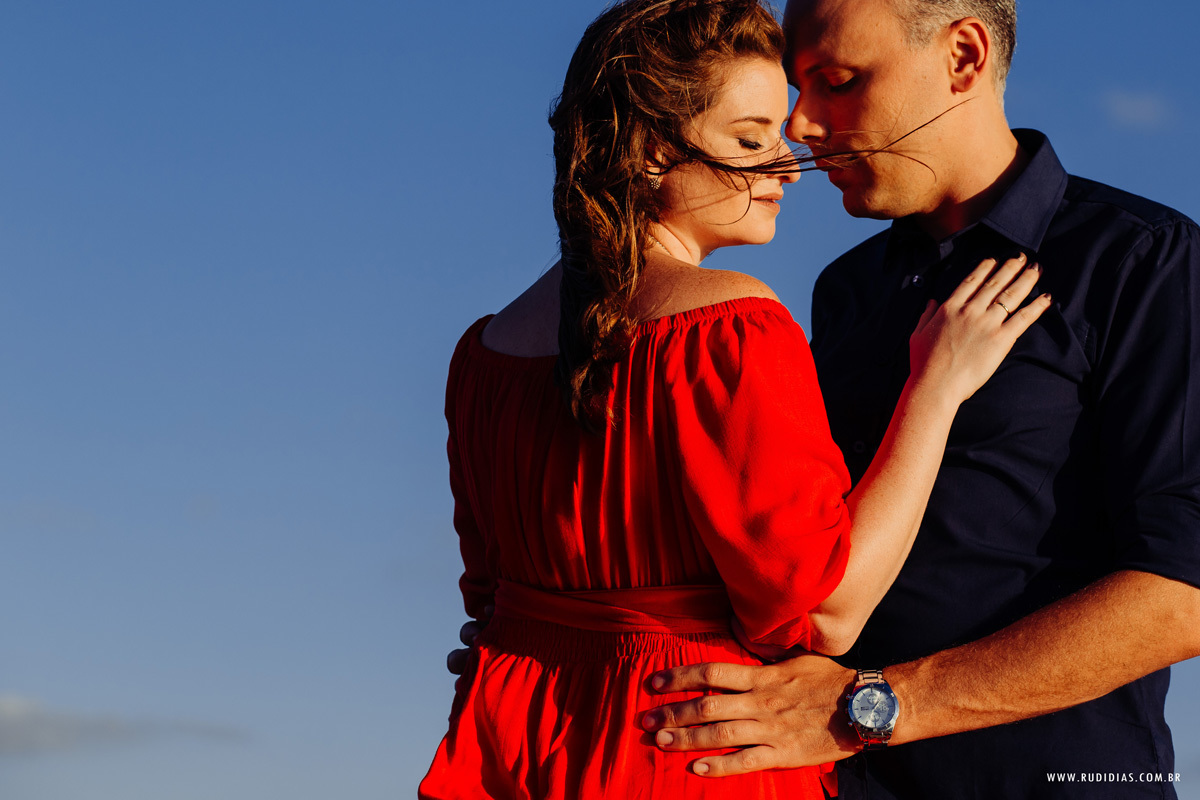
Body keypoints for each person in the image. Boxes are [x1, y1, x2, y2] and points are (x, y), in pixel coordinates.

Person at [421, 0, 1047, 797]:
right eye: (752, 140)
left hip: (515, 746)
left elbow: (487, 601)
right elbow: (825, 614)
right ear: (652, 152)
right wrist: (937, 386)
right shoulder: (731, 325)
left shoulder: (481, 353)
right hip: (688, 744)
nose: (787, 166)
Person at [640, 0, 1200, 798]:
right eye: (798, 89)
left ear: (964, 57)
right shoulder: (847, 288)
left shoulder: (1148, 262)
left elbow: (1184, 595)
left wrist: (872, 707)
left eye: (836, 81)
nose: (800, 126)